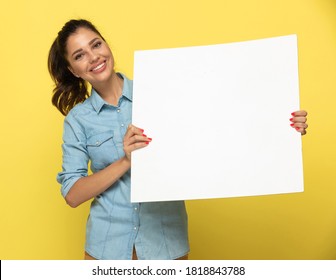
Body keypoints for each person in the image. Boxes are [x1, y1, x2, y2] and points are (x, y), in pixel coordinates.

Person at [48, 19, 308, 260]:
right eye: (80, 55)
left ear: (106, 44)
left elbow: (221, 125)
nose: (94, 57)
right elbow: (72, 194)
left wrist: (280, 125)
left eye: (96, 44)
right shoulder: (78, 120)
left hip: (165, 244)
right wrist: (126, 161)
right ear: (74, 70)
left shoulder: (161, 92)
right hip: (106, 248)